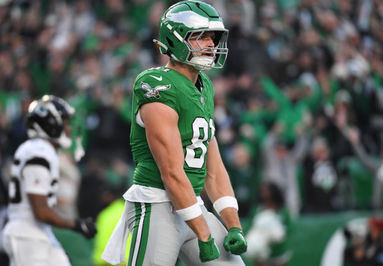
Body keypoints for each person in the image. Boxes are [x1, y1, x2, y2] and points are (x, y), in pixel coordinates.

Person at [102, 1, 247, 265]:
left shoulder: (205, 87)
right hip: (157, 204)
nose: (211, 44)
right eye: (200, 36)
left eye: (212, 37)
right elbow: (171, 171)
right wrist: (203, 232)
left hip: (193, 205)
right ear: (175, 39)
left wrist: (233, 223)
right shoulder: (156, 85)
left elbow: (213, 169)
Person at [2, 95, 97, 266]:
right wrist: (75, 224)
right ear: (50, 124)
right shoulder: (39, 152)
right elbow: (41, 211)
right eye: (65, 122)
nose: (68, 128)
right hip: (26, 234)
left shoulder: (39, 149)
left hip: (38, 231)